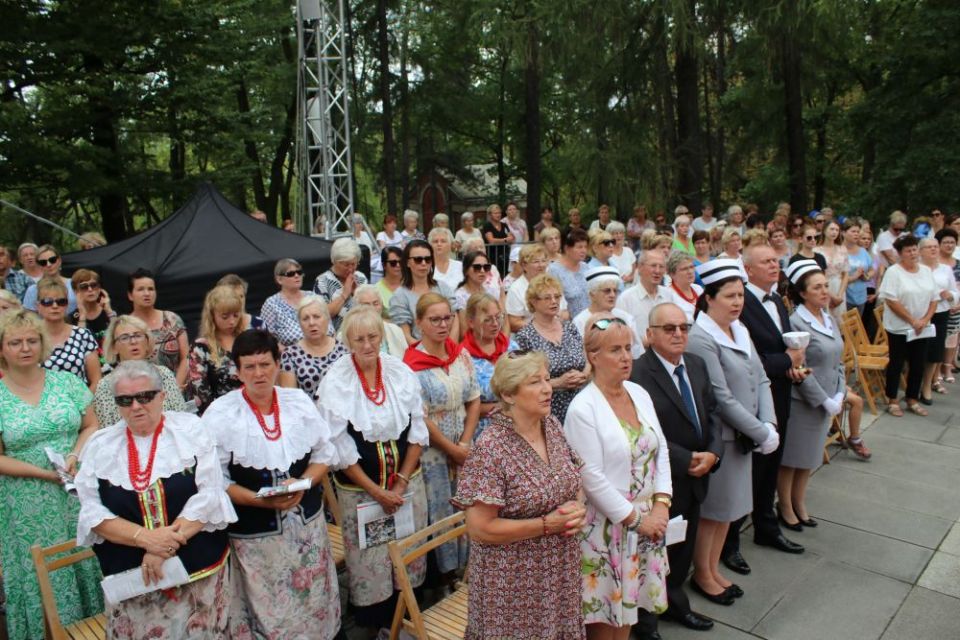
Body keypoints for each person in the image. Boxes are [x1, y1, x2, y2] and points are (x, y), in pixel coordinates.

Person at [76, 360, 234, 638]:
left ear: (162, 396)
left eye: (145, 396)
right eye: (125, 400)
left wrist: (161, 547)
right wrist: (144, 538)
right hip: (133, 583)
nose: (136, 406)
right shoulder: (100, 446)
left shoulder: (190, 430)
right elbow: (91, 511)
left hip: (195, 578)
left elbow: (209, 493)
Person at [202, 330, 342, 639]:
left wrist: (304, 482)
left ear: (277, 363)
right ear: (237, 371)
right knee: (271, 614)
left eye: (265, 364)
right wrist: (257, 499)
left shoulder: (297, 402)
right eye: (249, 367)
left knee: (314, 601)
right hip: (256, 540)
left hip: (307, 531)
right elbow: (214, 481)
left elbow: (325, 453)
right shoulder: (221, 414)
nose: (258, 373)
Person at [452, 351, 586, 640]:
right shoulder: (491, 449)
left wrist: (578, 507)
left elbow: (574, 477)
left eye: (547, 379)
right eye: (535, 382)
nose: (547, 388)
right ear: (509, 395)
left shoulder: (551, 426)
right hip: (512, 586)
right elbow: (480, 528)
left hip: (558, 572)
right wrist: (546, 525)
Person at [315, 306, 430, 632]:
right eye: (359, 339)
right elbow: (340, 447)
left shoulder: (399, 373)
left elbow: (417, 432)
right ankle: (374, 627)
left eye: (373, 337)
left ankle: (406, 624)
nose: (367, 345)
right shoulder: (337, 381)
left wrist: (401, 483)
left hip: (408, 488)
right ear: (347, 341)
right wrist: (378, 491)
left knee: (406, 556)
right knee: (371, 564)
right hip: (362, 494)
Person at [564, 314, 672, 640]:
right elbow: (591, 477)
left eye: (628, 348)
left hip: (647, 522)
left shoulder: (638, 392)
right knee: (604, 620)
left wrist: (662, 505)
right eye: (615, 350)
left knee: (627, 617)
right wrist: (637, 519)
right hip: (607, 529)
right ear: (593, 357)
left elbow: (661, 448)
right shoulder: (583, 408)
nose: (626, 357)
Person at [0, 310, 103, 640]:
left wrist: (74, 455)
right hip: (26, 500)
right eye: (15, 342)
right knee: (41, 570)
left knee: (86, 555)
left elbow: (92, 425)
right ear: (2, 348)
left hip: (75, 487)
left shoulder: (67, 382)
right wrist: (42, 473)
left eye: (32, 340)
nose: (25, 348)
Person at [686, 259, 780, 604]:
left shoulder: (740, 330)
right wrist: (759, 431)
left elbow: (761, 377)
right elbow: (721, 397)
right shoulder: (701, 337)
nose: (738, 302)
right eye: (729, 296)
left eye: (740, 295)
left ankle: (712, 569)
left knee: (732, 510)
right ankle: (703, 574)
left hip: (747, 435)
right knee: (715, 512)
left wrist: (768, 425)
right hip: (724, 438)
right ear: (709, 298)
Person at [631, 303, 721, 635]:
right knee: (654, 553)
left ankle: (675, 604)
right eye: (669, 329)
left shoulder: (696, 364)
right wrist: (688, 460)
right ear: (650, 335)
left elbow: (712, 413)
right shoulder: (638, 374)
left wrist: (713, 452)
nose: (678, 334)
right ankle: (646, 622)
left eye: (683, 327)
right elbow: (645, 433)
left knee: (682, 550)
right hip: (662, 482)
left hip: (698, 475)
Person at [720, 245, 805, 578]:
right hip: (749, 402)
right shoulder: (743, 305)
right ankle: (730, 545)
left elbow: (782, 349)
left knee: (772, 464)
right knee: (748, 472)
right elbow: (749, 364)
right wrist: (787, 362)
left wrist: (792, 368)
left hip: (778, 395)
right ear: (748, 268)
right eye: (767, 261)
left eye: (776, 260)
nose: (775, 265)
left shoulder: (777, 299)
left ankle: (767, 527)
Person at [403, 293, 480, 577]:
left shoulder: (460, 355)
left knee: (468, 504)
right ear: (419, 323)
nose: (442, 324)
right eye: (434, 319)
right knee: (440, 509)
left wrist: (465, 443)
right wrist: (451, 448)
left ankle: (469, 568)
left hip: (463, 444)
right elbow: (420, 416)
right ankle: (443, 575)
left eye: (447, 318)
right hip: (433, 452)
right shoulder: (411, 365)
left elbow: (473, 399)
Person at [779, 260, 851, 528]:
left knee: (809, 458)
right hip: (805, 402)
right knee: (792, 458)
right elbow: (799, 366)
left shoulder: (828, 317)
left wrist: (840, 393)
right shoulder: (798, 322)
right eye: (817, 287)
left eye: (826, 286)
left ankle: (799, 501)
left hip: (829, 399)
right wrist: (823, 399)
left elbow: (838, 360)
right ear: (802, 292)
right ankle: (785, 505)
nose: (824, 291)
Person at [514, 275, 588, 422]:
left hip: (581, 405)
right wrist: (558, 383)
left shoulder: (569, 327)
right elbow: (523, 382)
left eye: (557, 296)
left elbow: (586, 357)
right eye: (547, 298)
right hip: (548, 410)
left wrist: (584, 375)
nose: (554, 301)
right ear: (534, 302)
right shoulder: (525, 337)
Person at [879, 234, 938, 417]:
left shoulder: (926, 271)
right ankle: (893, 399)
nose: (913, 253)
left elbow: (934, 299)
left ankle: (912, 398)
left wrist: (925, 319)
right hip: (899, 326)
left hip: (922, 326)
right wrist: (912, 320)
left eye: (914, 249)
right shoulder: (894, 272)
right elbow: (891, 300)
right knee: (897, 363)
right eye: (908, 250)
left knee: (918, 363)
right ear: (900, 253)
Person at [95, 316, 187, 427]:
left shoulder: (164, 374)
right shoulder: (105, 385)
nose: (133, 341)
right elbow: (107, 430)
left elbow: (181, 418)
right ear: (114, 347)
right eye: (124, 338)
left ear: (147, 342)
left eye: (138, 335)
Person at [460, 292, 514, 437]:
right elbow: (463, 406)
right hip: (483, 433)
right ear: (471, 322)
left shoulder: (512, 348)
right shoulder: (462, 357)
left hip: (518, 426)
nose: (495, 324)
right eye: (487, 320)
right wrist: (504, 407)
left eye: (498, 317)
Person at [186, 286, 244, 414]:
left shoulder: (246, 339)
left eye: (236, 315)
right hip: (219, 416)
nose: (232, 321)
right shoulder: (200, 348)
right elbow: (201, 394)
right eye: (225, 317)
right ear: (212, 315)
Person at [35, 277, 102, 389]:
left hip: (80, 402)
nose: (55, 306)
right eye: (48, 302)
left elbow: (96, 380)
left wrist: (85, 405)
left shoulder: (83, 335)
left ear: (66, 305)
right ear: (38, 306)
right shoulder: (30, 338)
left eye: (61, 301)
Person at [278, 295, 349, 398]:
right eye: (305, 319)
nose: (311, 323)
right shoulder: (290, 355)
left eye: (316, 316)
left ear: (327, 318)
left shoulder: (344, 349)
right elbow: (290, 400)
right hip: (309, 412)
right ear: (300, 323)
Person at [389, 239, 460, 343]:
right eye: (418, 260)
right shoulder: (399, 296)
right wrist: (428, 354)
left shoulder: (443, 287)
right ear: (408, 263)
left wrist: (450, 348)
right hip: (419, 353)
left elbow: (455, 320)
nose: (423, 263)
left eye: (428, 259)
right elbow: (405, 335)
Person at [127, 269, 188, 388]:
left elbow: (186, 357)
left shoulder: (172, 319)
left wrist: (175, 388)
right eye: (141, 289)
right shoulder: (125, 326)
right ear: (130, 295)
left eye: (150, 289)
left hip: (178, 390)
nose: (147, 293)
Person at [919, 237, 959, 403]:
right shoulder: (917, 268)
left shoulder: (945, 269)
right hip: (920, 313)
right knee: (918, 350)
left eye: (935, 247)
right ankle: (912, 384)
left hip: (940, 312)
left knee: (935, 352)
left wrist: (950, 296)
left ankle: (928, 384)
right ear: (921, 251)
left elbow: (954, 291)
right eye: (929, 247)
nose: (934, 250)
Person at [573, 267, 642, 358]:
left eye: (615, 291)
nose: (612, 295)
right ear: (592, 295)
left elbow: (637, 353)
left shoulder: (626, 318)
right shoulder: (579, 321)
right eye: (607, 291)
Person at [506, 243, 567, 331]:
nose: (541, 265)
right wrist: (542, 326)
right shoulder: (516, 289)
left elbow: (565, 312)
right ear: (524, 265)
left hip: (557, 331)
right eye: (536, 261)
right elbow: (513, 322)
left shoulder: (553, 283)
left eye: (543, 261)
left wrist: (558, 320)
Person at [314, 237, 369, 331]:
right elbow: (321, 314)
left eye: (354, 264)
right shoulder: (323, 281)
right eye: (346, 265)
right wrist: (344, 294)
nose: (351, 269)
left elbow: (370, 308)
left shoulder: (361, 277)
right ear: (334, 261)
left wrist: (358, 293)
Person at [617, 250, 671, 346]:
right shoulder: (626, 299)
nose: (657, 271)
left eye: (661, 267)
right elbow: (620, 335)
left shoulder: (669, 295)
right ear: (640, 267)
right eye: (653, 266)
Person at [261, 258, 308, 346]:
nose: (297, 275)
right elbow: (267, 337)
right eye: (290, 274)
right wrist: (287, 353)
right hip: (291, 355)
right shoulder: (271, 304)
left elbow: (328, 325)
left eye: (299, 272)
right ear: (279, 280)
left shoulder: (312, 297)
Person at [351, 284, 408, 357]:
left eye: (375, 303)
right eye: (366, 304)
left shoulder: (395, 330)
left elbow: (406, 361)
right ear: (356, 308)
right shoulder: (347, 334)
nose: (372, 308)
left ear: (381, 305)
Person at [548, 228, 591, 319]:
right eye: (579, 247)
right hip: (568, 323)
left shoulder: (585, 267)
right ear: (567, 248)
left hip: (589, 320)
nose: (584, 250)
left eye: (585, 247)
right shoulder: (554, 270)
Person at [23, 244, 77, 315]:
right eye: (43, 262)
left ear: (59, 261)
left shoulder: (74, 284)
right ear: (38, 265)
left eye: (52, 260)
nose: (49, 264)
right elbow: (30, 319)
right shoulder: (33, 290)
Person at [70, 269, 115, 351]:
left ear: (99, 288)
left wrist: (109, 311)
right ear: (76, 291)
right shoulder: (71, 318)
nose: (90, 289)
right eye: (84, 287)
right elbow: (78, 346)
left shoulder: (109, 311)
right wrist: (82, 315)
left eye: (93, 285)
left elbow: (119, 336)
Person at [815, 220, 849, 324]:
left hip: (839, 287)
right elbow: (817, 275)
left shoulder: (842, 249)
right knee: (826, 319)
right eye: (831, 229)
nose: (834, 232)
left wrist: (839, 295)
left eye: (837, 230)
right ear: (824, 230)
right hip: (824, 287)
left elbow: (846, 273)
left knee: (841, 323)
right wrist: (832, 296)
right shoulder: (816, 251)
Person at [937, 228, 960, 382]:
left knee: (952, 337)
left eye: (952, 242)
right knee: (939, 338)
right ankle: (936, 370)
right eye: (946, 242)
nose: (949, 245)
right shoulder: (936, 264)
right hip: (939, 305)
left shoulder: (958, 263)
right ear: (939, 244)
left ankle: (947, 367)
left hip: (957, 304)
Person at [844, 222, 874, 315]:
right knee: (844, 327)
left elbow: (871, 269)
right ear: (843, 232)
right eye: (853, 231)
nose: (856, 234)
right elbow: (837, 278)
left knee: (857, 327)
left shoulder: (862, 250)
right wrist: (855, 276)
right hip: (845, 296)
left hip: (861, 296)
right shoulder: (840, 250)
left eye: (857, 231)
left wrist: (867, 276)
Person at [666, 251, 703, 322]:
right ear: (672, 274)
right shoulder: (668, 295)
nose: (690, 271)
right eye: (684, 269)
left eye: (691, 267)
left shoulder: (698, 289)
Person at [481, 204, 514, 275]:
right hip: (493, 256)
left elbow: (511, 238)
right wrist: (505, 240)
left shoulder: (504, 225)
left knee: (505, 274)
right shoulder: (487, 225)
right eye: (495, 213)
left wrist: (501, 240)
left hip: (505, 255)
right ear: (490, 215)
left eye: (499, 213)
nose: (498, 215)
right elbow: (491, 241)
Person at [429, 227, 464, 292]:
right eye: (435, 241)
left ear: (450, 245)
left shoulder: (460, 266)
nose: (439, 244)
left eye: (443, 241)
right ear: (430, 245)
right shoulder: (425, 267)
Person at [376, 245, 404, 316]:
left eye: (401, 262)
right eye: (393, 263)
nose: (398, 265)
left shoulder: (412, 284)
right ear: (384, 265)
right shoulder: (376, 290)